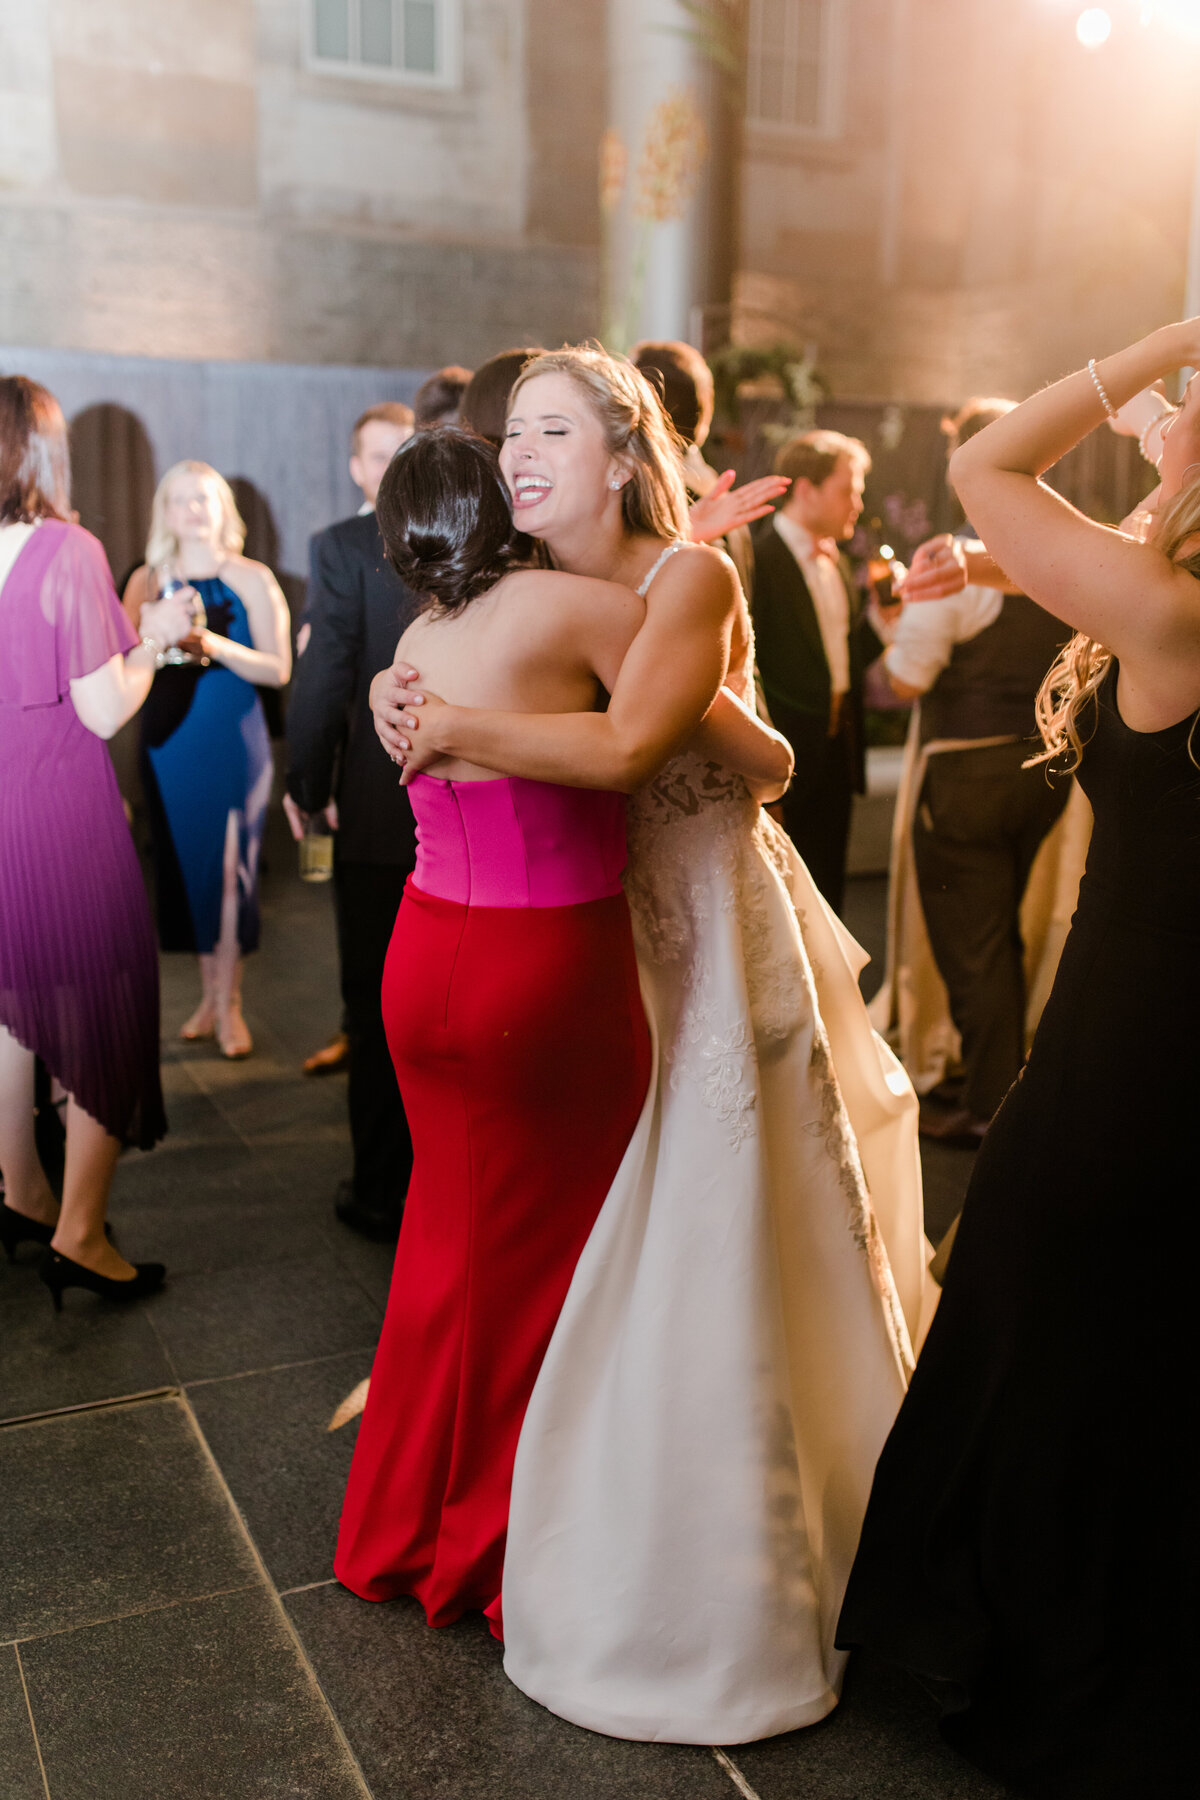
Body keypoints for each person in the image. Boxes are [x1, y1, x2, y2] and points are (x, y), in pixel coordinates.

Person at [371, 347, 929, 1743]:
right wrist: (406, 702)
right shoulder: (525, 592)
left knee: (712, 1218)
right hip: (595, 932)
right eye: (514, 438)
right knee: (589, 1230)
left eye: (556, 433)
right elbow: (747, 744)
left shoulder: (683, 580)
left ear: (627, 456)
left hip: (700, 919)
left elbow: (646, 752)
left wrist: (447, 724)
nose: (522, 459)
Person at [837, 321, 1200, 1799]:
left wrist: (1167, 330)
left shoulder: (1170, 610)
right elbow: (1058, 545)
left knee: (1047, 1304)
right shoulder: (1166, 598)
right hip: (1168, 1025)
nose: (1170, 421)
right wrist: (1000, 572)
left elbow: (984, 459)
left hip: (1132, 1040)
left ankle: (1039, 1631)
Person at [334, 426, 653, 1630]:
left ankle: (398, 1532)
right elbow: (714, 739)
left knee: (444, 1250)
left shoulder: (417, 640)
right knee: (545, 1270)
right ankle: (491, 1554)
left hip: (424, 963)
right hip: (544, 971)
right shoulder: (580, 610)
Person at [0, 376, 191, 1306]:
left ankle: (20, 1190)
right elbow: (103, 705)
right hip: (58, 814)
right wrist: (152, 640)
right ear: (43, 451)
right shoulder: (67, 551)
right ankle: (79, 1234)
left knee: (12, 1001)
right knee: (108, 998)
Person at [872, 398, 1073, 1145]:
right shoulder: (1068, 548)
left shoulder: (953, 559)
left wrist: (883, 639)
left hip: (965, 778)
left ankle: (990, 1105)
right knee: (1006, 931)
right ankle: (1000, 1076)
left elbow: (907, 680)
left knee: (974, 940)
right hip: (1045, 775)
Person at [285, 402, 418, 1241]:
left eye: (398, 452)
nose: (384, 466)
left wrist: (307, 784)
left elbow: (323, 678)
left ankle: (380, 1188)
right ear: (354, 465)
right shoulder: (481, 535)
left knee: (375, 1008)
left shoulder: (341, 548)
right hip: (435, 805)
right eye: (374, 454)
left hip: (370, 808)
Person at [122, 463, 291, 1061]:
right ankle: (208, 996)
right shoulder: (146, 577)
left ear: (223, 508)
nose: (192, 509)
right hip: (170, 738)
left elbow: (279, 668)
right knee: (190, 869)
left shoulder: (251, 576)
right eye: (179, 499)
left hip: (232, 732)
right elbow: (122, 659)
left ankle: (231, 1004)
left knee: (229, 872)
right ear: (163, 510)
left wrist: (210, 643)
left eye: (203, 498)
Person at [751, 430, 893, 912]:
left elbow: (841, 664)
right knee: (785, 902)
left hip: (837, 756)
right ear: (806, 490)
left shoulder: (837, 562)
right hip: (784, 760)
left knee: (830, 895)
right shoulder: (759, 561)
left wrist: (881, 622)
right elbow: (748, 666)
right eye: (847, 489)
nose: (857, 503)